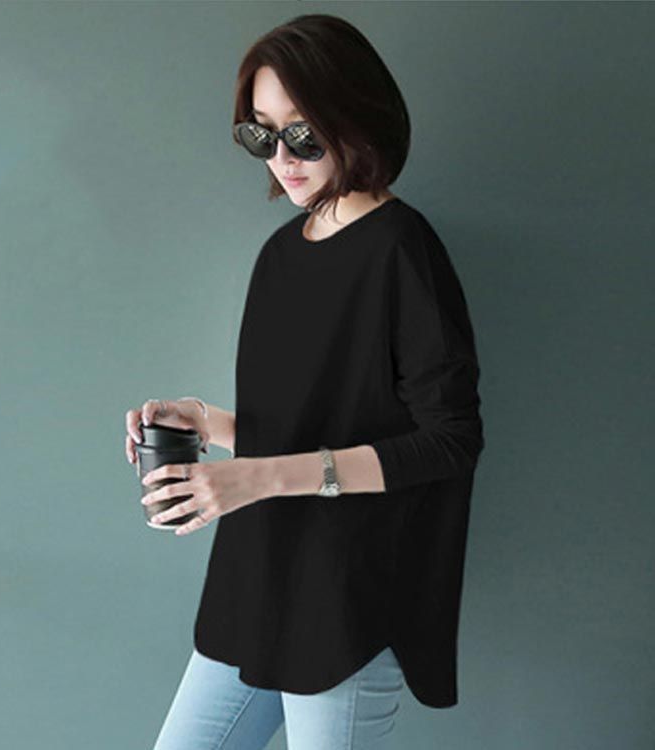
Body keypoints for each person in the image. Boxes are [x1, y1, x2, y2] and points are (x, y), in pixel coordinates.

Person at [125, 13, 485, 750]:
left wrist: (255, 479)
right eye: (262, 135)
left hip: (346, 602)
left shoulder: (402, 250)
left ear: (356, 117)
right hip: (256, 582)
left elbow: (450, 441)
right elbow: (304, 421)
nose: (282, 158)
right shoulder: (281, 254)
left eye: (303, 134)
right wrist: (204, 421)